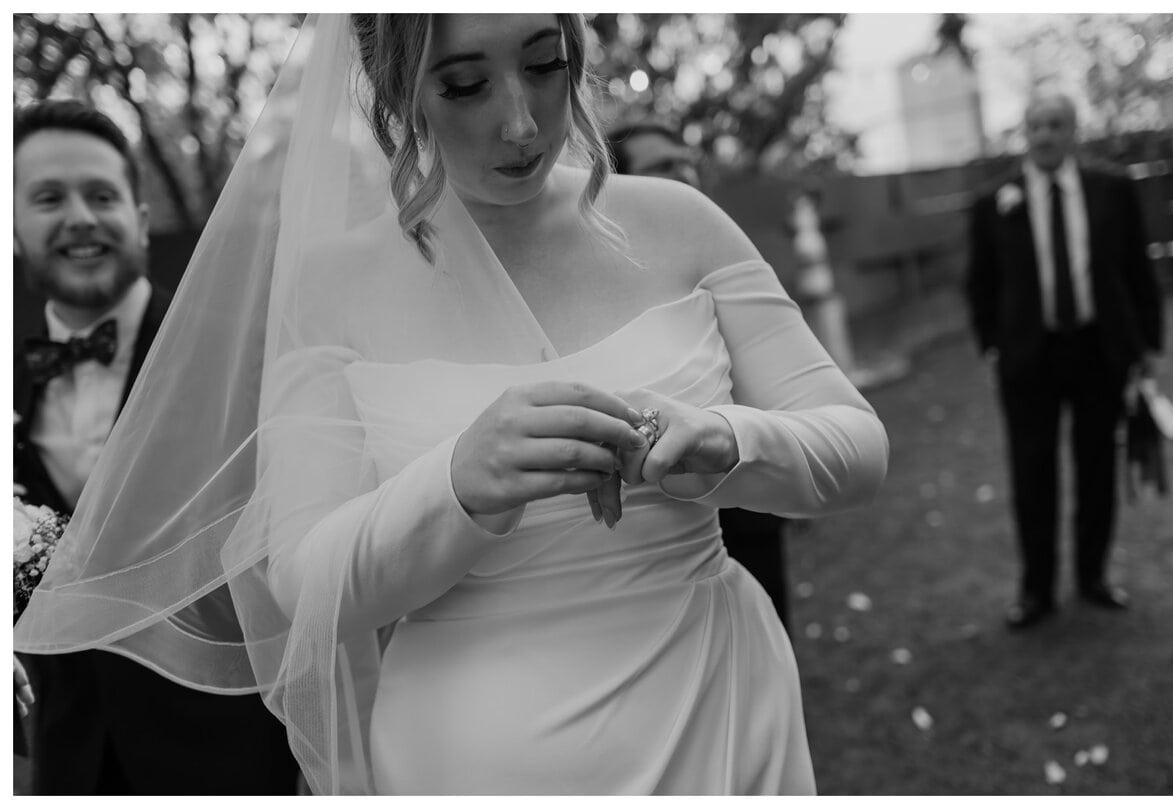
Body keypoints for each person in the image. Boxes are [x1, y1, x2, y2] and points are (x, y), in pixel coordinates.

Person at [15, 15, 888, 795]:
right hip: (468, 758)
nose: (519, 121)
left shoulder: (681, 223)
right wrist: (458, 483)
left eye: (544, 65)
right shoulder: (331, 286)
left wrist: (732, 438)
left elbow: (856, 444)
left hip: (719, 709)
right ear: (401, 95)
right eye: (465, 84)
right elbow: (304, 582)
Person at [12, 100, 299, 794]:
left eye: (101, 195)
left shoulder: (241, 357)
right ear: (13, 230)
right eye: (49, 197)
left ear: (140, 221)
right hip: (66, 761)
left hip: (225, 758)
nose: (79, 216)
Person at [965, 88, 1162, 630]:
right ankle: (1037, 591)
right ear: (1025, 134)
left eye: (1056, 124)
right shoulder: (994, 201)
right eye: (1036, 126)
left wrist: (1146, 345)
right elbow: (979, 282)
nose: (1045, 135)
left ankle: (1093, 577)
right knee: (1032, 475)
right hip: (1028, 358)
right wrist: (991, 344)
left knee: (1097, 468)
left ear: (1074, 130)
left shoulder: (1112, 190)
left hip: (1099, 350)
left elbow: (1135, 268)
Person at [607, 118, 792, 636]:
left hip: (747, 472)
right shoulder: (603, 283)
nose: (685, 174)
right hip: (658, 513)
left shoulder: (722, 249)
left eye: (687, 162)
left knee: (770, 622)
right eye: (665, 167)